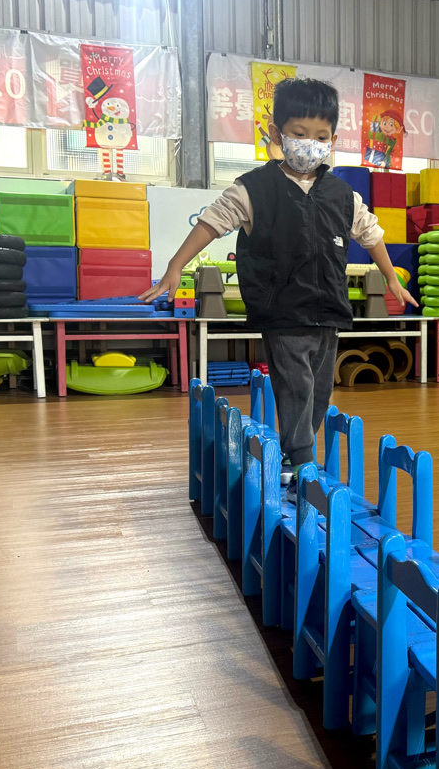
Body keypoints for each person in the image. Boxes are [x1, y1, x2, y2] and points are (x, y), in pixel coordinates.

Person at [141, 78, 416, 496]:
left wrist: (392, 277)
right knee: (296, 385)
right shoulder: (254, 189)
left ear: (333, 140)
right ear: (277, 133)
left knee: (319, 391)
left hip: (328, 310)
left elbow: (371, 234)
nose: (310, 144)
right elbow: (211, 223)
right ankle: (303, 461)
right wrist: (176, 265)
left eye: (321, 137)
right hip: (282, 310)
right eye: (299, 134)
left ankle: (294, 453)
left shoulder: (342, 195)